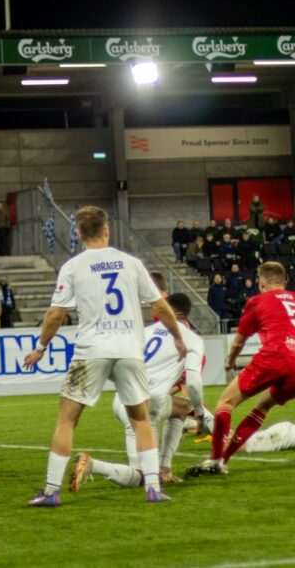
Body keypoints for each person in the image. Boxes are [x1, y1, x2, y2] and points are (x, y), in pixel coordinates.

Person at [22, 205, 184, 506]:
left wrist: (41, 347)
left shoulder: (73, 267)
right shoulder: (131, 263)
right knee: (141, 421)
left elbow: (56, 315)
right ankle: (152, 488)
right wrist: (177, 337)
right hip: (129, 350)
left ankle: (51, 492)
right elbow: (160, 306)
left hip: (91, 351)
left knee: (67, 420)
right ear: (107, 230)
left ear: (78, 233)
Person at [71, 293, 205, 491]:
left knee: (181, 408)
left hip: (123, 399)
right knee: (141, 477)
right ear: (186, 314)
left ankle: (164, 468)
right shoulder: (192, 339)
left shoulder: (144, 331)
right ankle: (93, 465)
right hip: (147, 406)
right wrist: (200, 412)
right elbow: (193, 384)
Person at [187, 261, 295, 478]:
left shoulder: (258, 300)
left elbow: (239, 341)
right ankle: (223, 460)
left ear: (261, 282)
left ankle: (216, 459)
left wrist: (230, 361)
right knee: (262, 408)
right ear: (285, 282)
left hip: (277, 355)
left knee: (225, 402)